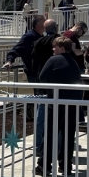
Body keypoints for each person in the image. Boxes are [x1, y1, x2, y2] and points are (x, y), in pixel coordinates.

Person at [37, 36, 85, 177]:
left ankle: (44, 166)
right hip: (72, 103)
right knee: (68, 136)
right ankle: (65, 166)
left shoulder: (53, 60)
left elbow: (42, 78)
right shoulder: (74, 62)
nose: (53, 49)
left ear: (62, 48)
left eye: (55, 46)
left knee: (50, 135)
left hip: (56, 102)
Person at [30, 19, 58, 166]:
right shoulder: (59, 41)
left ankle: (38, 146)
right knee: (58, 116)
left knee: (41, 115)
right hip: (57, 83)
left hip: (41, 81)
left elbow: (33, 62)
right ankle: (57, 147)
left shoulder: (38, 43)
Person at [5, 15, 45, 81]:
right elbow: (16, 50)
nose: (45, 24)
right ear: (38, 26)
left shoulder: (41, 37)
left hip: (41, 72)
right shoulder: (28, 37)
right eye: (44, 23)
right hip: (33, 73)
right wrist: (9, 61)